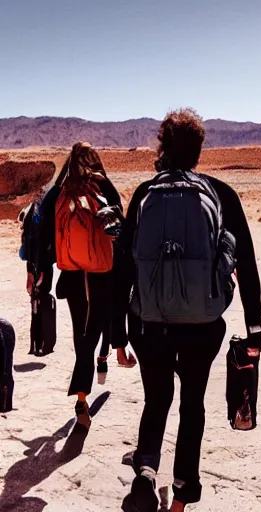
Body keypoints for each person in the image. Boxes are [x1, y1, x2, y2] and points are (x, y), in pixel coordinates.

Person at [118, 108, 261, 512]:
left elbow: (124, 265)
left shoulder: (146, 193)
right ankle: (182, 493)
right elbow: (246, 264)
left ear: (163, 146)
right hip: (203, 324)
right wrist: (255, 327)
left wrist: (115, 332)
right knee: (191, 404)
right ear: (200, 149)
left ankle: (146, 470)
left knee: (157, 397)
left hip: (150, 325)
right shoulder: (220, 193)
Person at [35, 142, 136, 429]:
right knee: (92, 333)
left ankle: (89, 383)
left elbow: (41, 228)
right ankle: (82, 397)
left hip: (72, 274)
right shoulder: (104, 188)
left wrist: (39, 270)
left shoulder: (57, 192)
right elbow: (122, 230)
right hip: (102, 275)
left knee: (82, 334)